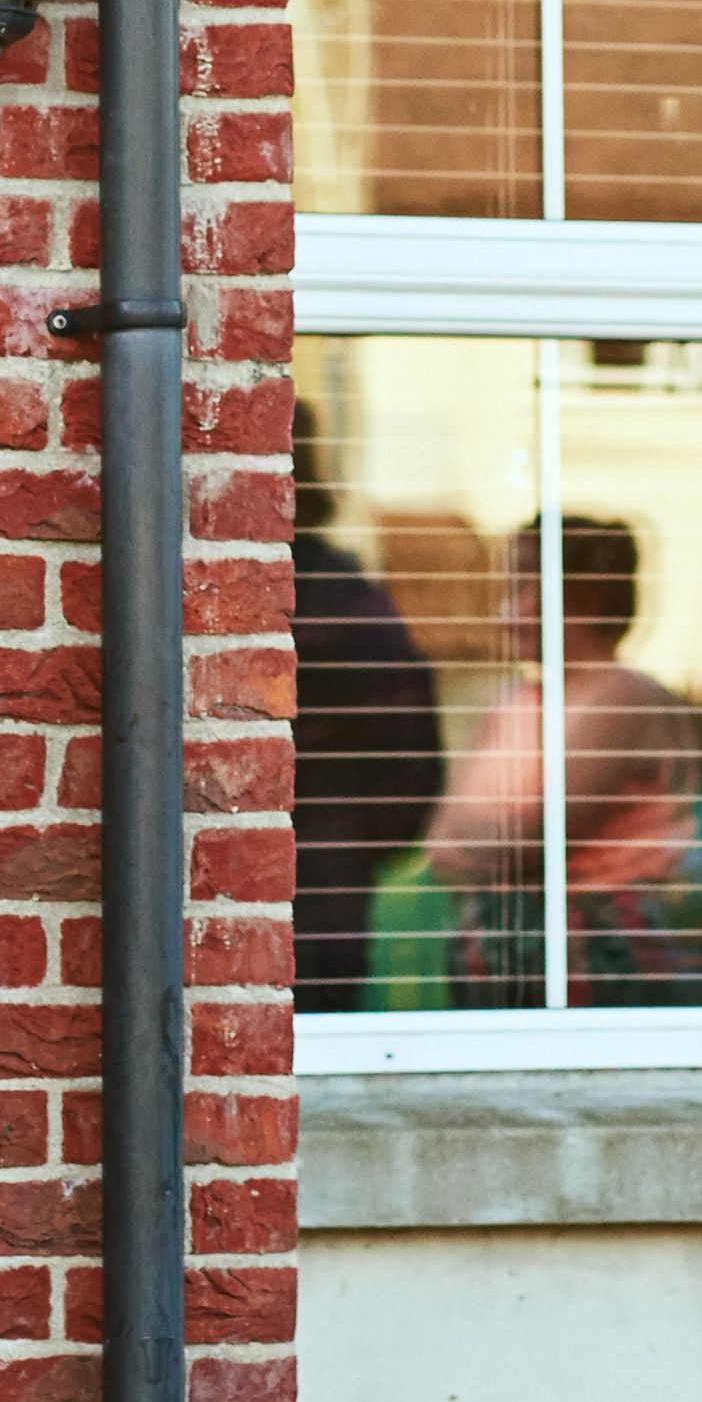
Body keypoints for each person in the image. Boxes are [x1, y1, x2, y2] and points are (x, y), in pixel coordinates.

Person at [371, 520, 702, 1011]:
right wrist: (492, 843)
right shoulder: (515, 701)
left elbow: (543, 835)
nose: (508, 610)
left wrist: (489, 842)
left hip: (589, 949)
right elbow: (444, 838)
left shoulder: (621, 697)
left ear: (586, 598)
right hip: (502, 942)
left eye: (525, 586)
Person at [287, 416, 441, 999]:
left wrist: (342, 842)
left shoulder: (337, 599)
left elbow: (410, 756)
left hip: (319, 884)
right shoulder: (340, 595)